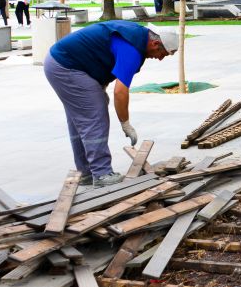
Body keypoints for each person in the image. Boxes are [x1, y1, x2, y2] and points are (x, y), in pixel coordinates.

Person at [43, 22, 180, 186]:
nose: (160, 58)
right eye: (162, 53)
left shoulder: (137, 34)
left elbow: (103, 54)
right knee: (95, 115)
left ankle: (85, 173)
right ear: (155, 43)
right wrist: (126, 124)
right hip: (66, 66)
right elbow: (120, 92)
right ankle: (102, 174)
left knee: (82, 118)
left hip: (60, 62)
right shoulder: (133, 50)